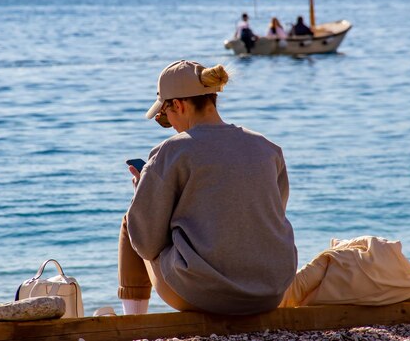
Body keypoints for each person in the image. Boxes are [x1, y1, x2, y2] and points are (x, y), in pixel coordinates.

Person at [118, 60, 297, 316]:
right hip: (270, 293)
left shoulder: (171, 151)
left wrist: (142, 196)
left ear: (178, 105)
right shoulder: (268, 148)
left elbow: (146, 244)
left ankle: (133, 322)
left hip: (205, 297)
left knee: (131, 222)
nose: (168, 123)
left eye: (164, 117)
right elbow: (269, 217)